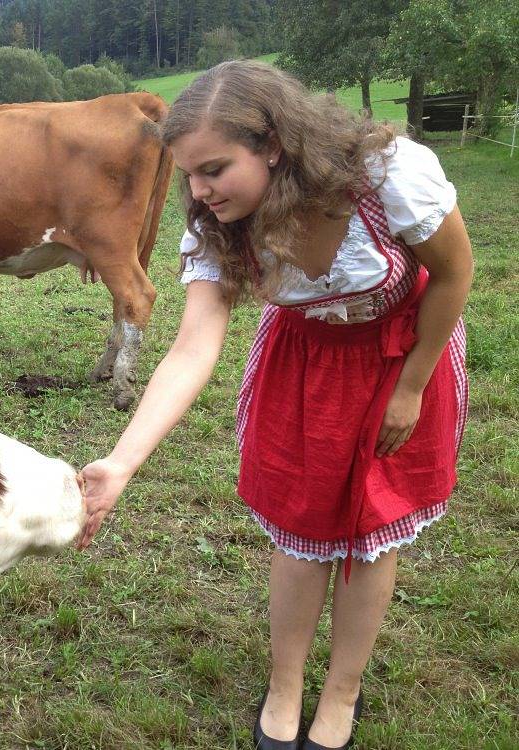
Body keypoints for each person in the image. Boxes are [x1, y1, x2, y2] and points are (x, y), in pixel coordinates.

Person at [77, 60, 472, 750]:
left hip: (401, 352)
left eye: (214, 169)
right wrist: (121, 462)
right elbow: (193, 348)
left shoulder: (388, 176)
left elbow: (456, 271)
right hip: (305, 364)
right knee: (300, 526)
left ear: (274, 146)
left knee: (372, 527)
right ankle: (285, 685)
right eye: (190, 175)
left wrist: (412, 384)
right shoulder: (219, 223)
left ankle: (341, 692)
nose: (198, 192)